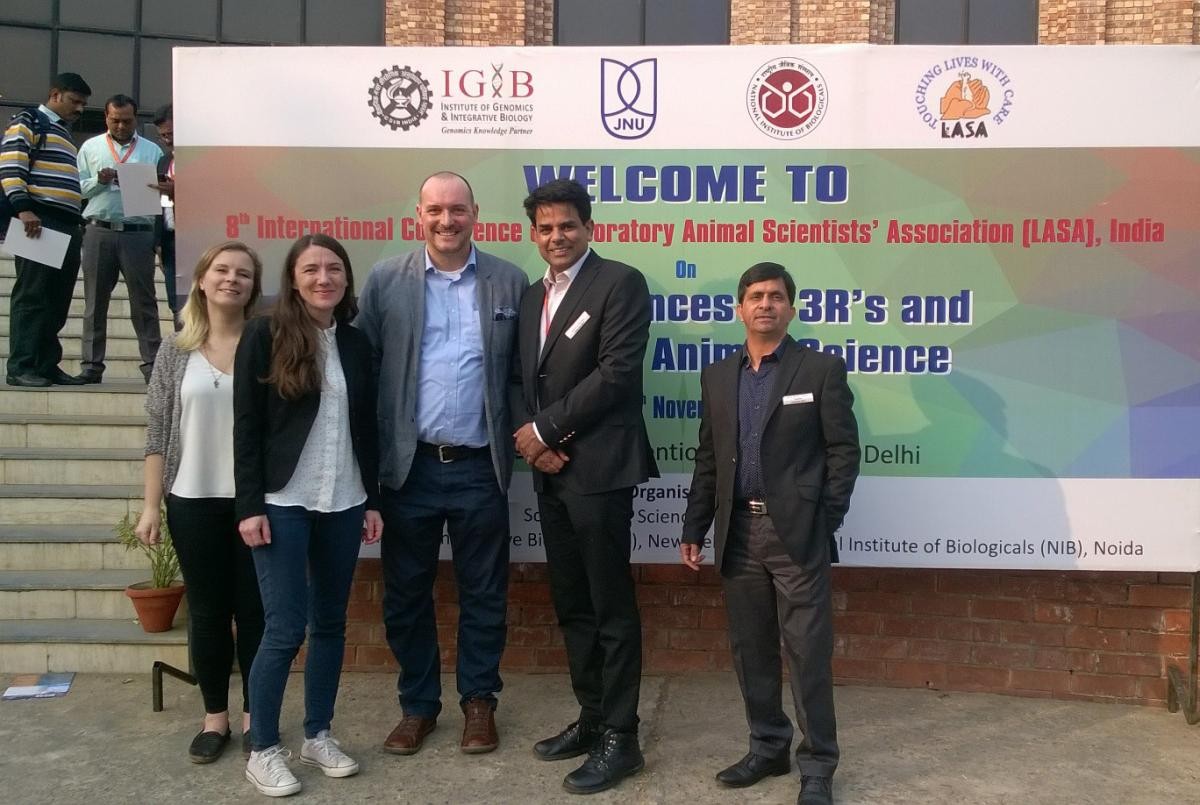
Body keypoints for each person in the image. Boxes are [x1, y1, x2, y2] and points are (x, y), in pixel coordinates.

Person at [354, 172, 527, 756]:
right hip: (410, 468)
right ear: (418, 217)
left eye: (457, 210)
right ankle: (418, 707)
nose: (447, 221)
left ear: (475, 213)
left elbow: (523, 375)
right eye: (435, 211)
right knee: (405, 594)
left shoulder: (509, 281)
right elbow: (365, 369)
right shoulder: (385, 280)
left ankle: (480, 703)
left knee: (484, 592)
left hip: (482, 466)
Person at [679, 262, 860, 805]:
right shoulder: (717, 376)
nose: (765, 304)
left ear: (791, 307)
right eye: (755, 296)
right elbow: (708, 458)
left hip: (796, 537)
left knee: (807, 652)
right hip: (738, 533)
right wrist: (695, 525)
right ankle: (767, 746)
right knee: (750, 649)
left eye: (776, 296)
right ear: (740, 308)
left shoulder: (820, 370)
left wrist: (822, 518)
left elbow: (843, 453)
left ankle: (818, 767)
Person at [513, 178, 658, 795]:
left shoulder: (619, 283)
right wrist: (533, 442)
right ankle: (592, 717)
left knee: (609, 607)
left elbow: (618, 374)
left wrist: (545, 431)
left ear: (588, 226)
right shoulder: (527, 298)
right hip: (551, 475)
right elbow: (521, 378)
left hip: (599, 472)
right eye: (545, 228)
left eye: (567, 226)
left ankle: (621, 739)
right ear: (534, 233)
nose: (556, 237)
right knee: (572, 604)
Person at [233, 233, 383, 798]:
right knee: (283, 628)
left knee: (331, 624)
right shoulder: (264, 334)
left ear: (346, 279)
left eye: (335, 269)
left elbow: (366, 428)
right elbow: (245, 426)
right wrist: (249, 506)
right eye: (312, 269)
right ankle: (263, 747)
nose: (325, 278)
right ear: (293, 279)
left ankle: (317, 733)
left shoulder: (356, 341)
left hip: (344, 500)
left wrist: (372, 500)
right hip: (283, 503)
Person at [136, 240, 265, 763]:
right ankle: (215, 719)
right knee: (209, 614)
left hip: (255, 504)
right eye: (222, 270)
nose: (232, 279)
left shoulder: (267, 344)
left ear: (255, 288)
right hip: (190, 500)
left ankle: (259, 716)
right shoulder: (175, 350)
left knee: (256, 615)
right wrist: (150, 506)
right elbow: (157, 432)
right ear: (203, 280)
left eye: (244, 274)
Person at [1, 72, 92, 387]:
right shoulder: (29, 121)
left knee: (57, 297)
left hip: (65, 222)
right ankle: (21, 366)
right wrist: (23, 208)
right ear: (56, 94)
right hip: (37, 219)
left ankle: (45, 364)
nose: (80, 108)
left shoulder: (62, 132)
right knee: (33, 295)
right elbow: (11, 166)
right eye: (75, 101)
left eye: (83, 103)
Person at [75, 94, 164, 383]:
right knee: (94, 302)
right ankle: (91, 365)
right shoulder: (90, 147)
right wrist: (98, 181)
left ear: (135, 118)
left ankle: (153, 364)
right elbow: (77, 190)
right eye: (115, 120)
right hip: (99, 229)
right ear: (106, 117)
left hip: (138, 232)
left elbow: (162, 193)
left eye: (127, 120)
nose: (121, 126)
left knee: (145, 302)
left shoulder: (152, 151)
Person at [150, 103, 178, 320]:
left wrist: (179, 191)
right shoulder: (163, 160)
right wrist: (158, 241)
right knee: (176, 303)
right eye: (163, 136)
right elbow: (162, 203)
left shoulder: (202, 158)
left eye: (171, 133)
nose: (167, 140)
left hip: (198, 239)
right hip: (169, 241)